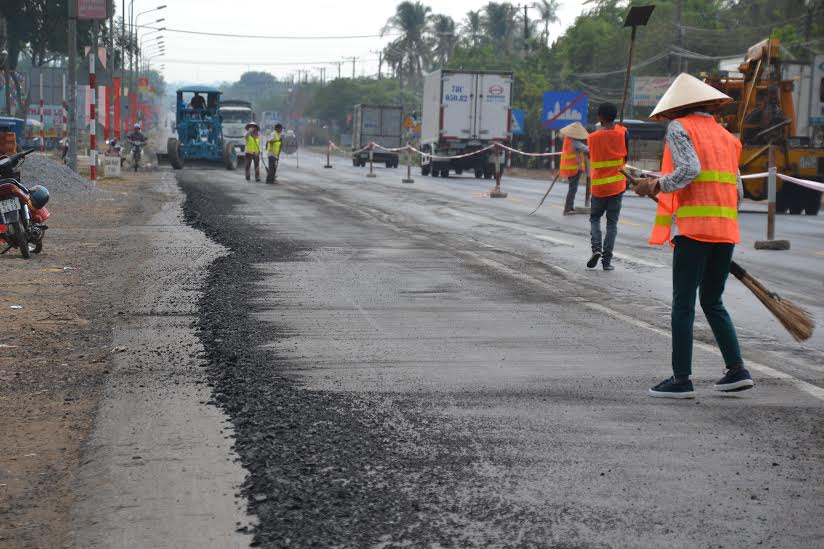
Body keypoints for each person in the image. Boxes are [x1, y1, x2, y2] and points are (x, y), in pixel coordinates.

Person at [631, 72, 752, 399]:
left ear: (678, 108)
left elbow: (689, 171)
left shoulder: (679, 128)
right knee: (712, 300)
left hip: (694, 231)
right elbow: (737, 191)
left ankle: (681, 378)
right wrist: (657, 180)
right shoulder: (726, 136)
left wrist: (655, 185)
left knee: (683, 304)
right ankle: (737, 370)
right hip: (725, 230)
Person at [586, 103, 629, 270]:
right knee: (612, 224)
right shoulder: (624, 132)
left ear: (600, 117)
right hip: (617, 185)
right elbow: (626, 158)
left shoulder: (592, 137)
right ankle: (606, 261)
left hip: (598, 187)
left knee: (595, 218)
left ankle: (596, 249)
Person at [558, 121, 589, 215]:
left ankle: (570, 207)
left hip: (570, 168)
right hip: (575, 168)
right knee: (572, 189)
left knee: (572, 188)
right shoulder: (575, 142)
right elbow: (587, 149)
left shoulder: (567, 140)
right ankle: (567, 209)